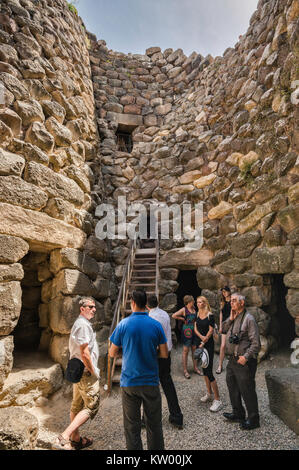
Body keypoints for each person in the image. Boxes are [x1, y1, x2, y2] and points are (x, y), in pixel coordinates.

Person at [109, 289, 168, 450]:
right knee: (154, 425)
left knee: (131, 427)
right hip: (150, 381)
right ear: (145, 304)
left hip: (129, 382)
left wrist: (128, 348)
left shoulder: (123, 324)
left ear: (132, 303)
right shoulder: (156, 325)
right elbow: (164, 354)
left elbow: (112, 352)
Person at [53, 297, 100, 450]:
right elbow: (84, 353)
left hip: (80, 372)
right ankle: (64, 436)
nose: (93, 309)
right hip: (86, 373)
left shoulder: (82, 324)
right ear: (82, 308)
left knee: (77, 405)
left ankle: (76, 440)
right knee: (91, 406)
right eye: (90, 307)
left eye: (94, 307)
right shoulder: (82, 325)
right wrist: (93, 371)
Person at [222, 293, 261, 430]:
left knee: (247, 390)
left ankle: (254, 419)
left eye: (234, 301)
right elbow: (223, 329)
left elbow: (256, 344)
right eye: (231, 301)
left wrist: (246, 357)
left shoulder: (249, 319)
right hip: (232, 360)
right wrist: (230, 319)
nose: (231, 303)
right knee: (232, 385)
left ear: (242, 303)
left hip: (244, 361)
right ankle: (238, 413)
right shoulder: (235, 317)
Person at [147, 294, 184, 429]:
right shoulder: (164, 314)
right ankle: (177, 416)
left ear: (147, 306)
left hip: (156, 354)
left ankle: (149, 418)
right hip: (166, 353)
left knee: (151, 387)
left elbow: (154, 340)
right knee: (167, 384)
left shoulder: (150, 317)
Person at [194, 296, 223, 412]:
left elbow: (211, 331)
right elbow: (195, 327)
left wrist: (203, 341)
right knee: (204, 370)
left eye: (201, 302)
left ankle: (217, 400)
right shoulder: (197, 314)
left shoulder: (210, 315)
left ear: (205, 303)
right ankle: (209, 393)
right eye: (197, 302)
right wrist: (200, 338)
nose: (198, 303)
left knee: (209, 372)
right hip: (200, 343)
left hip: (207, 345)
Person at [172, 295, 202, 379]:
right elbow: (173, 315)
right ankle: (185, 370)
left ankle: (195, 368)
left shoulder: (193, 309)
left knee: (194, 350)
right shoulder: (184, 309)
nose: (194, 302)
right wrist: (182, 319)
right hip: (187, 332)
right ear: (188, 302)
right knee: (185, 350)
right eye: (192, 301)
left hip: (194, 331)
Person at [216, 286, 232, 374]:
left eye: (225, 291)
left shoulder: (233, 300)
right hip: (225, 325)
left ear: (229, 291)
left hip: (232, 325)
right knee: (222, 346)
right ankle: (220, 366)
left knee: (233, 344)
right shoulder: (222, 302)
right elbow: (221, 314)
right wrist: (220, 326)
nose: (224, 293)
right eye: (223, 292)